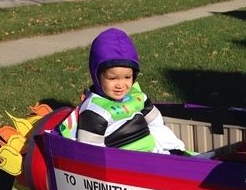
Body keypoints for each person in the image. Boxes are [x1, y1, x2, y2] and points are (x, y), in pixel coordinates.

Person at [58, 28, 186, 155]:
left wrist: (176, 149)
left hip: (155, 152)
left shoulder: (137, 97)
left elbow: (156, 124)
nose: (120, 85)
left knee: (194, 162)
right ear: (97, 76)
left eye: (127, 77)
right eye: (112, 78)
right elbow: (93, 153)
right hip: (127, 165)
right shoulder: (94, 111)